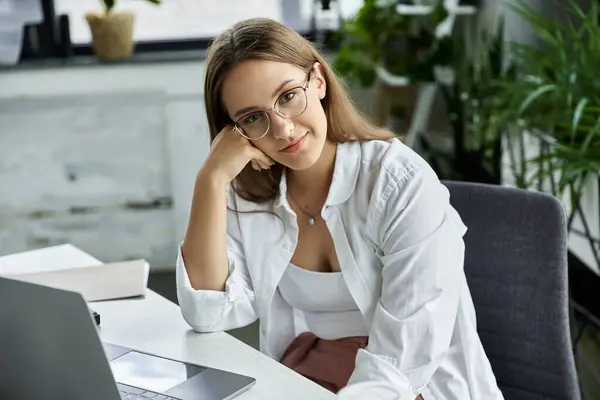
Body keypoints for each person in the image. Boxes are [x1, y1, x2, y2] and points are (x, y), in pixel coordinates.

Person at [176, 17, 504, 399]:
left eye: (287, 96)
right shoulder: (248, 192)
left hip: (411, 386)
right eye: (253, 118)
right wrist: (211, 179)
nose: (281, 129)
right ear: (234, 131)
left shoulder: (400, 183)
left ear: (318, 80)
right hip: (310, 379)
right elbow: (208, 313)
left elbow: (401, 363)